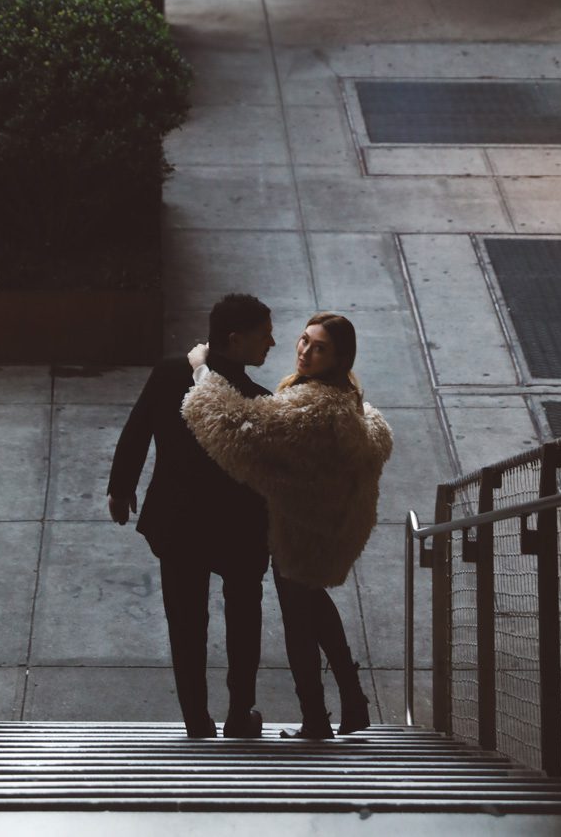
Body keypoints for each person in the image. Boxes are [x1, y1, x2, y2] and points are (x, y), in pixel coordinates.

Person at [182, 313, 393, 739]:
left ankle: (317, 718)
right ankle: (351, 703)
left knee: (300, 621)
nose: (305, 352)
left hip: (299, 527)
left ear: (338, 357)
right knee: (313, 609)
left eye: (320, 348)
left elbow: (238, 427)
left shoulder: (314, 405)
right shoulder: (341, 396)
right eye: (304, 340)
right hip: (317, 524)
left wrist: (201, 370)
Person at [107, 293, 275, 739]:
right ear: (235, 341)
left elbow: (137, 429)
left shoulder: (168, 374)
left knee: (185, 624)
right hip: (240, 530)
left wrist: (121, 488)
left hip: (178, 524)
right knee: (243, 620)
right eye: (264, 336)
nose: (272, 343)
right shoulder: (256, 400)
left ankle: (196, 721)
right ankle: (241, 714)